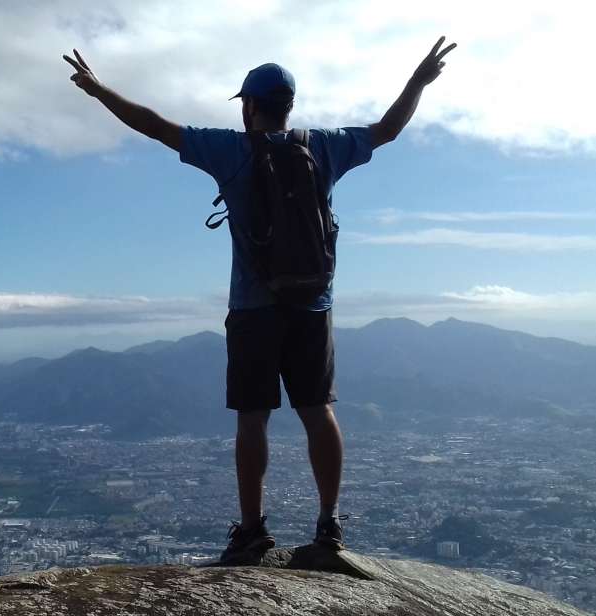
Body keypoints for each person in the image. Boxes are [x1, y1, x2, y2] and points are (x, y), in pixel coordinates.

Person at [63, 37, 456, 561]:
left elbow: (154, 125)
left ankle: (251, 531)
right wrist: (418, 82)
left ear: (249, 105)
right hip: (313, 306)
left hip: (253, 308)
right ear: (288, 106)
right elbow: (386, 130)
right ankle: (329, 526)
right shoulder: (324, 146)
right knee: (318, 412)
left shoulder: (229, 150)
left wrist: (97, 91)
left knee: (253, 416)